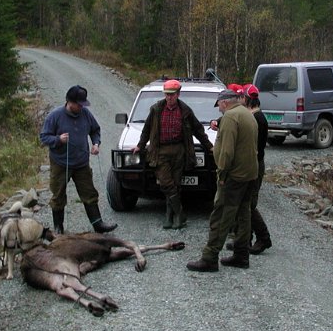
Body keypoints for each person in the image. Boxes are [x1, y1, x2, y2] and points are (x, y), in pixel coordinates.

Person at [186, 89, 258, 272]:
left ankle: (210, 257)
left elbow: (226, 151)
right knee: (243, 214)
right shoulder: (247, 114)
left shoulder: (230, 117)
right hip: (250, 174)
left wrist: (222, 175)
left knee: (221, 214)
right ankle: (242, 255)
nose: (218, 108)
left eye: (218, 104)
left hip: (233, 176)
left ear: (225, 102)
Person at [132, 79, 214, 229]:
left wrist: (209, 147)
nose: (169, 97)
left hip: (179, 151)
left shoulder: (185, 111)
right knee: (166, 183)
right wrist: (140, 146)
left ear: (178, 94)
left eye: (172, 94)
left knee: (176, 184)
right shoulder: (156, 109)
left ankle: (170, 217)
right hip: (160, 151)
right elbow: (146, 129)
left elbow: (198, 130)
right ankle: (180, 213)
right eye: (167, 94)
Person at [40, 85, 117, 234]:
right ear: (69, 102)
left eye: (83, 104)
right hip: (60, 163)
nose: (81, 106)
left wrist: (96, 143)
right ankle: (58, 228)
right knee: (58, 195)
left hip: (81, 163)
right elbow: (44, 137)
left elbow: (95, 130)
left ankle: (98, 224)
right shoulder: (55, 116)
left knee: (89, 193)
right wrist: (58, 139)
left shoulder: (86, 114)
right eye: (79, 104)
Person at [242, 83, 272, 254]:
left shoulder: (256, 119)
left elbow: (254, 148)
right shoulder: (257, 117)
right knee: (246, 203)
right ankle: (246, 239)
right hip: (254, 164)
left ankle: (263, 238)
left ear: (247, 100)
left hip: (254, 165)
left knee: (249, 204)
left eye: (243, 98)